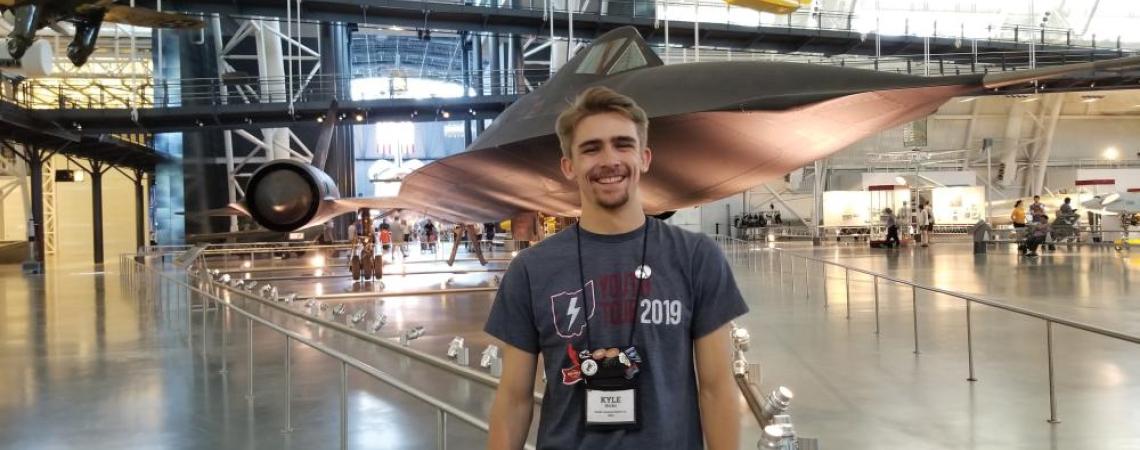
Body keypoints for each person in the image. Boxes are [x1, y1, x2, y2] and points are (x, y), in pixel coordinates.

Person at [485, 87, 747, 450]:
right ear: (569, 166)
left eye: (623, 145)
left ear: (644, 157)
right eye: (591, 148)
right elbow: (514, 399)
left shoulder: (695, 257)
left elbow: (717, 389)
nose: (609, 160)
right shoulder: (532, 270)